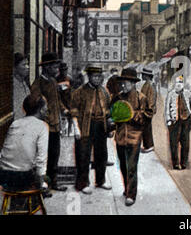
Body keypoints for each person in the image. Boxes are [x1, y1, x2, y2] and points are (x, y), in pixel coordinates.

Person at [71, 64, 112, 195]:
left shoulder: (104, 91)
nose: (97, 79)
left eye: (99, 76)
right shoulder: (80, 91)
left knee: (102, 154)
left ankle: (100, 181)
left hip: (101, 125)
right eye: (94, 76)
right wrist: (76, 127)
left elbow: (109, 111)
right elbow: (73, 109)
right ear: (89, 77)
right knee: (83, 155)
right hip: (85, 126)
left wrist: (110, 128)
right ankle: (82, 183)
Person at [30, 52, 67, 192]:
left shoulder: (52, 81)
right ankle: (42, 186)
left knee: (54, 156)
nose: (57, 69)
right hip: (44, 127)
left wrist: (65, 111)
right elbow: (36, 107)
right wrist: (49, 118)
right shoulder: (38, 83)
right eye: (54, 66)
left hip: (55, 126)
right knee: (42, 158)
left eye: (57, 66)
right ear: (46, 67)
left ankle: (53, 182)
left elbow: (57, 101)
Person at [112, 68, 150, 206]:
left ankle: (131, 195)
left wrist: (131, 115)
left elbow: (146, 117)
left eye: (127, 82)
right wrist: (112, 120)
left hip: (134, 137)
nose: (124, 85)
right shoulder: (118, 97)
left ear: (133, 83)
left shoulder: (141, 98)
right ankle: (127, 188)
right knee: (123, 165)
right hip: (121, 137)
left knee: (132, 166)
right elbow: (112, 115)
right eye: (123, 82)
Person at [0, 95, 50, 197]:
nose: (47, 110)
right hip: (22, 177)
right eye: (45, 107)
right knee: (47, 179)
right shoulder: (42, 126)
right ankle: (33, 199)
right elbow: (41, 159)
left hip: (3, 175)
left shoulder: (15, 123)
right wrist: (41, 184)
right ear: (41, 110)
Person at [164, 76, 191, 170]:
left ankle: (184, 162)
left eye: (180, 83)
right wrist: (168, 119)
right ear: (174, 84)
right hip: (174, 121)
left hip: (185, 120)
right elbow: (167, 108)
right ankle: (175, 163)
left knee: (185, 143)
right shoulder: (171, 94)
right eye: (177, 83)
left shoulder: (188, 93)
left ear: (183, 84)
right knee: (174, 143)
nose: (179, 85)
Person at [140, 67, 157, 153]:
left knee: (147, 128)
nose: (141, 76)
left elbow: (151, 98)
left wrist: (149, 109)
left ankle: (149, 145)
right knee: (145, 128)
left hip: (147, 110)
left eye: (143, 74)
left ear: (147, 76)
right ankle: (147, 145)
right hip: (145, 109)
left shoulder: (150, 85)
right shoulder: (147, 84)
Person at [13, 53, 30, 120]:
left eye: (27, 64)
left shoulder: (24, 83)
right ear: (15, 68)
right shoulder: (13, 86)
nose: (28, 67)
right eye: (24, 65)